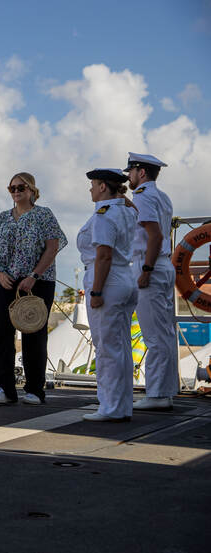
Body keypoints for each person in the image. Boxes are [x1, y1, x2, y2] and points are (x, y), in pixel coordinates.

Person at [0, 172, 66, 406]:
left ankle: (34, 389)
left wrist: (34, 275)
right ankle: (4, 387)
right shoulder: (3, 217)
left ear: (31, 189)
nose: (15, 191)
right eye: (11, 188)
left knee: (34, 333)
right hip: (7, 280)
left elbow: (53, 247)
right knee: (3, 333)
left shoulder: (44, 215)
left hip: (37, 281)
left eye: (20, 187)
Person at [78, 169, 138, 421]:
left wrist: (97, 291)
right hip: (125, 278)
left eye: (93, 184)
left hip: (107, 280)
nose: (90, 189)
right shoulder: (126, 210)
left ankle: (110, 407)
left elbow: (103, 254)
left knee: (106, 348)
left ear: (103, 186)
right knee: (121, 346)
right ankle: (122, 405)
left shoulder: (104, 215)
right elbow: (130, 206)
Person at [125, 153, 178, 411]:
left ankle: (157, 394)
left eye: (131, 172)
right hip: (164, 264)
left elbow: (154, 236)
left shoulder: (144, 197)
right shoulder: (162, 197)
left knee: (153, 334)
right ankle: (165, 392)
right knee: (165, 332)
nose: (128, 177)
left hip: (151, 265)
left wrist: (145, 269)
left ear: (141, 173)